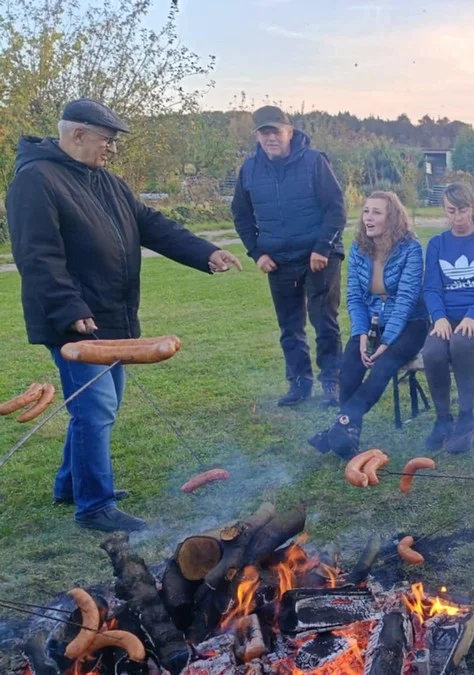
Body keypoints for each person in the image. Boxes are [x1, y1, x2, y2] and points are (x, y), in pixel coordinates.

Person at [6, 99, 243, 532]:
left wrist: (207, 252)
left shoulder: (107, 183)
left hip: (111, 316)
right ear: (77, 134)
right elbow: (36, 254)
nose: (112, 148)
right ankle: (94, 506)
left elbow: (153, 226)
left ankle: (70, 485)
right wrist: (69, 307)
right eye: (107, 139)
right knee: (95, 409)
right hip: (74, 321)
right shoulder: (36, 179)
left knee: (94, 405)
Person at [232, 105, 347, 408]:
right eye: (264, 131)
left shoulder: (314, 162)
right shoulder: (249, 169)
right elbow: (241, 216)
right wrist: (257, 253)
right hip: (278, 259)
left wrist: (322, 247)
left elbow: (336, 207)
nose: (271, 137)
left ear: (290, 132)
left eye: (276, 131)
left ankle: (333, 383)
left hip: (319, 256)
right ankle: (299, 383)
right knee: (290, 326)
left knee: (324, 321)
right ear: (257, 136)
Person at [309, 192, 427, 459]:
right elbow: (354, 297)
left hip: (410, 323)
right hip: (373, 322)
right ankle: (348, 437)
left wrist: (386, 342)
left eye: (376, 212)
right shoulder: (358, 247)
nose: (368, 218)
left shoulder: (411, 248)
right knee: (349, 369)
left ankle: (339, 427)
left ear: (392, 218)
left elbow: (406, 300)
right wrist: (361, 334)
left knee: (382, 367)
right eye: (366, 211)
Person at [421, 182, 474, 454]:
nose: (457, 218)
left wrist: (473, 315)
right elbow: (432, 287)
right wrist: (438, 317)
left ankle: (467, 418)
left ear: (472, 208)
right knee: (433, 350)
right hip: (450, 319)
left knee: (461, 342)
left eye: (462, 210)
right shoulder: (437, 244)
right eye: (451, 211)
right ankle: (443, 419)